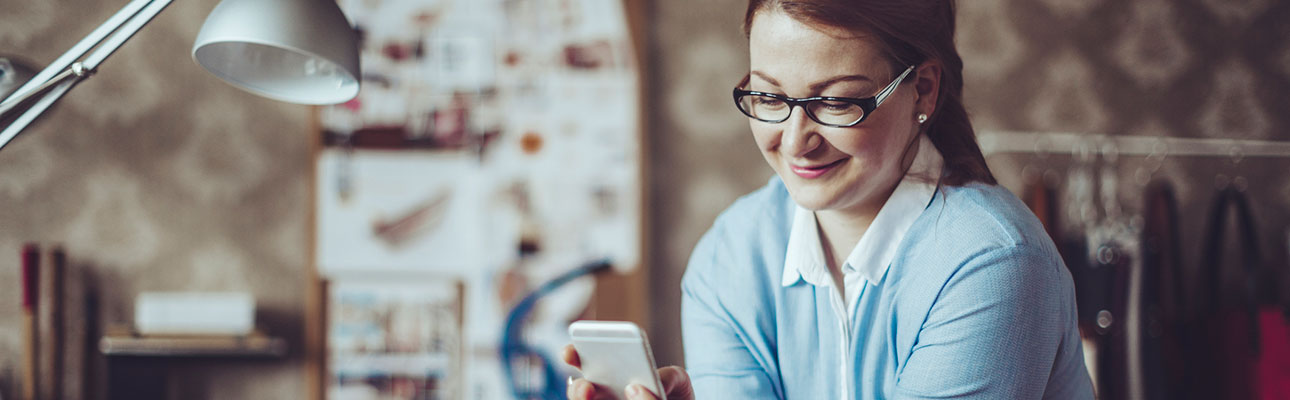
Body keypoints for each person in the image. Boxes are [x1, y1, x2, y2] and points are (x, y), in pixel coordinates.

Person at [565, 0, 1094, 398]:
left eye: (836, 102)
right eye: (769, 96)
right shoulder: (729, 257)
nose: (795, 141)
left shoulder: (992, 264)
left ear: (924, 90)